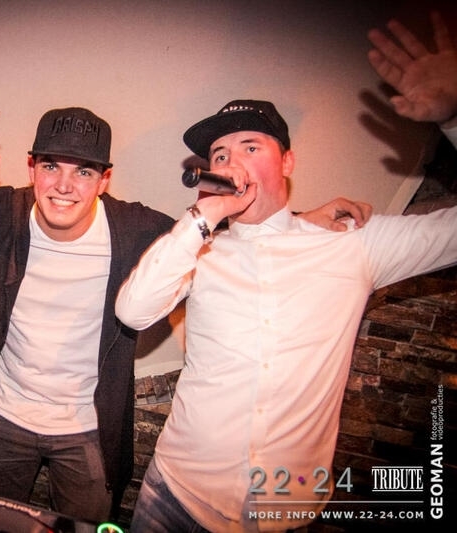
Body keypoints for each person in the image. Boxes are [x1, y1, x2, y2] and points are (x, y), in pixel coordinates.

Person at [0, 111, 369, 522]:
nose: (64, 184)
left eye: (84, 171)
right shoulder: (3, 210)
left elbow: (220, 233)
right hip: (3, 419)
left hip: (88, 431)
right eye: (51, 166)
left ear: (104, 179)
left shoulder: (137, 229)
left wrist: (297, 220)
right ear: (30, 169)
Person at [115, 12, 457, 532]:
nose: (232, 162)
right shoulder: (199, 250)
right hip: (175, 496)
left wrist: (453, 121)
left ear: (288, 162)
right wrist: (203, 217)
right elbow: (133, 312)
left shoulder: (352, 242)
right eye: (220, 154)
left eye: (251, 148)